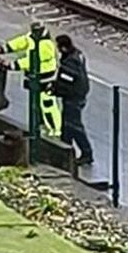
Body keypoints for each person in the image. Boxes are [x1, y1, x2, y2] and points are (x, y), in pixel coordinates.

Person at [0, 22, 61, 138]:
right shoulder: (33, 37)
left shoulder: (46, 45)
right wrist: (3, 49)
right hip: (36, 77)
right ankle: (41, 126)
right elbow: (21, 42)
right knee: (37, 104)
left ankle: (55, 130)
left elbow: (32, 60)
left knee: (47, 104)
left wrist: (12, 65)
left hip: (45, 78)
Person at [53, 34, 94, 167]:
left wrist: (55, 89)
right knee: (67, 125)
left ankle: (86, 153)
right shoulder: (78, 55)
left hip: (73, 97)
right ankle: (65, 150)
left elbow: (65, 83)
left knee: (74, 125)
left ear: (63, 48)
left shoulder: (70, 64)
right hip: (79, 93)